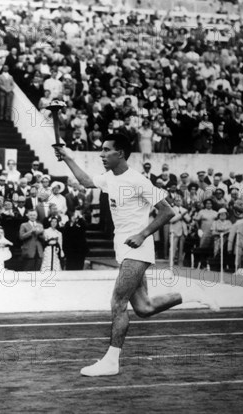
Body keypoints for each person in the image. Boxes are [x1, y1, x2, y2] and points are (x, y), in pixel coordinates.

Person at [53, 133, 219, 378]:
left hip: (137, 249)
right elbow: (87, 180)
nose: (101, 155)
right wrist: (67, 157)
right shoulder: (110, 178)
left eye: (106, 151)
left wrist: (143, 234)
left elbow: (167, 211)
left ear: (120, 153)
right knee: (144, 307)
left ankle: (111, 361)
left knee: (117, 303)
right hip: (124, 247)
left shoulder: (139, 181)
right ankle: (191, 293)